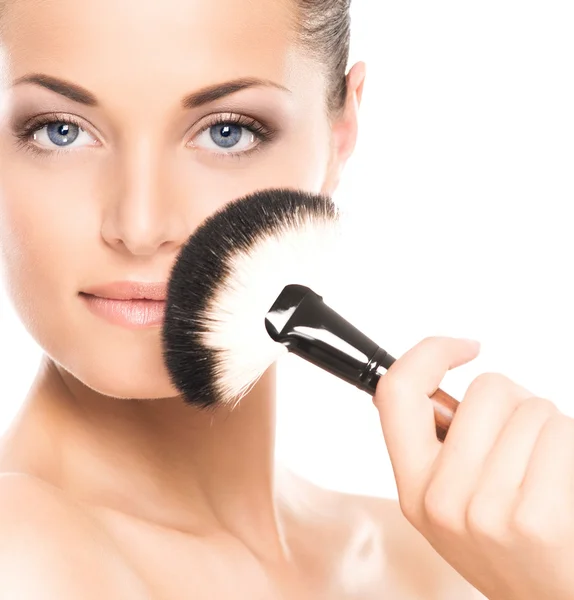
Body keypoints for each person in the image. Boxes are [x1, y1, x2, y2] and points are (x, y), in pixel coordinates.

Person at [1, 0, 571, 598]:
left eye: (227, 132)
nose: (139, 226)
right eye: (58, 131)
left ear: (341, 134)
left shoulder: (443, 564)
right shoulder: (23, 557)